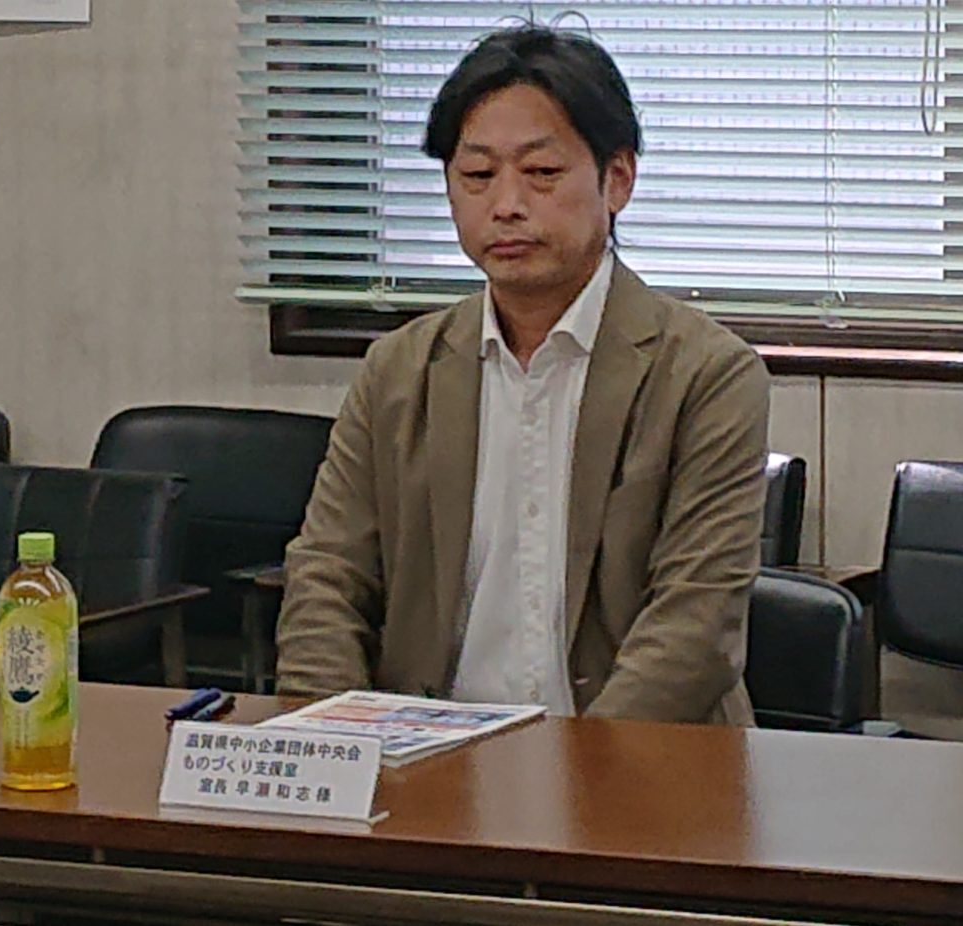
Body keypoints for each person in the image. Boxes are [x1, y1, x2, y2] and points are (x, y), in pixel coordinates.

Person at [274, 25, 769, 725]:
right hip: (428, 759)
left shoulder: (707, 375)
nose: (505, 204)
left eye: (541, 173)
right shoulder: (399, 370)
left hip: (639, 765)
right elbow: (326, 579)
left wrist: (577, 774)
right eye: (477, 177)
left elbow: (695, 629)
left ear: (617, 179)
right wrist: (337, 743)